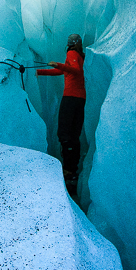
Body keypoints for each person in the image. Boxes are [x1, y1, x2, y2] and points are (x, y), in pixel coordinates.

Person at [37, 34, 86, 189]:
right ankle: (72, 171)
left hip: (70, 97)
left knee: (64, 134)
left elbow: (75, 70)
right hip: (80, 99)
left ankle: (68, 169)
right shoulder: (80, 56)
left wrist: (58, 64)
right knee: (74, 135)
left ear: (70, 44)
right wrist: (41, 72)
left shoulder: (72, 53)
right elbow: (65, 71)